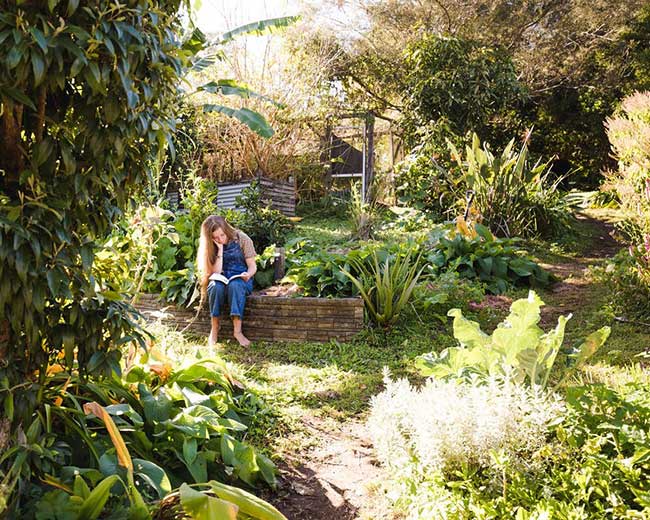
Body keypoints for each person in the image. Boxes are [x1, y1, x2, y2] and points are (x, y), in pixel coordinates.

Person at [197, 215, 257, 347]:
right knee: (214, 287)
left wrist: (248, 274)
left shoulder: (242, 239)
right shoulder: (211, 246)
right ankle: (214, 328)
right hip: (221, 279)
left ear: (226, 229)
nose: (220, 239)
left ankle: (238, 331)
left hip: (241, 279)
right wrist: (219, 249)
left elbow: (253, 266)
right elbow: (216, 273)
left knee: (235, 285)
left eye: (222, 235)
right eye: (215, 238)